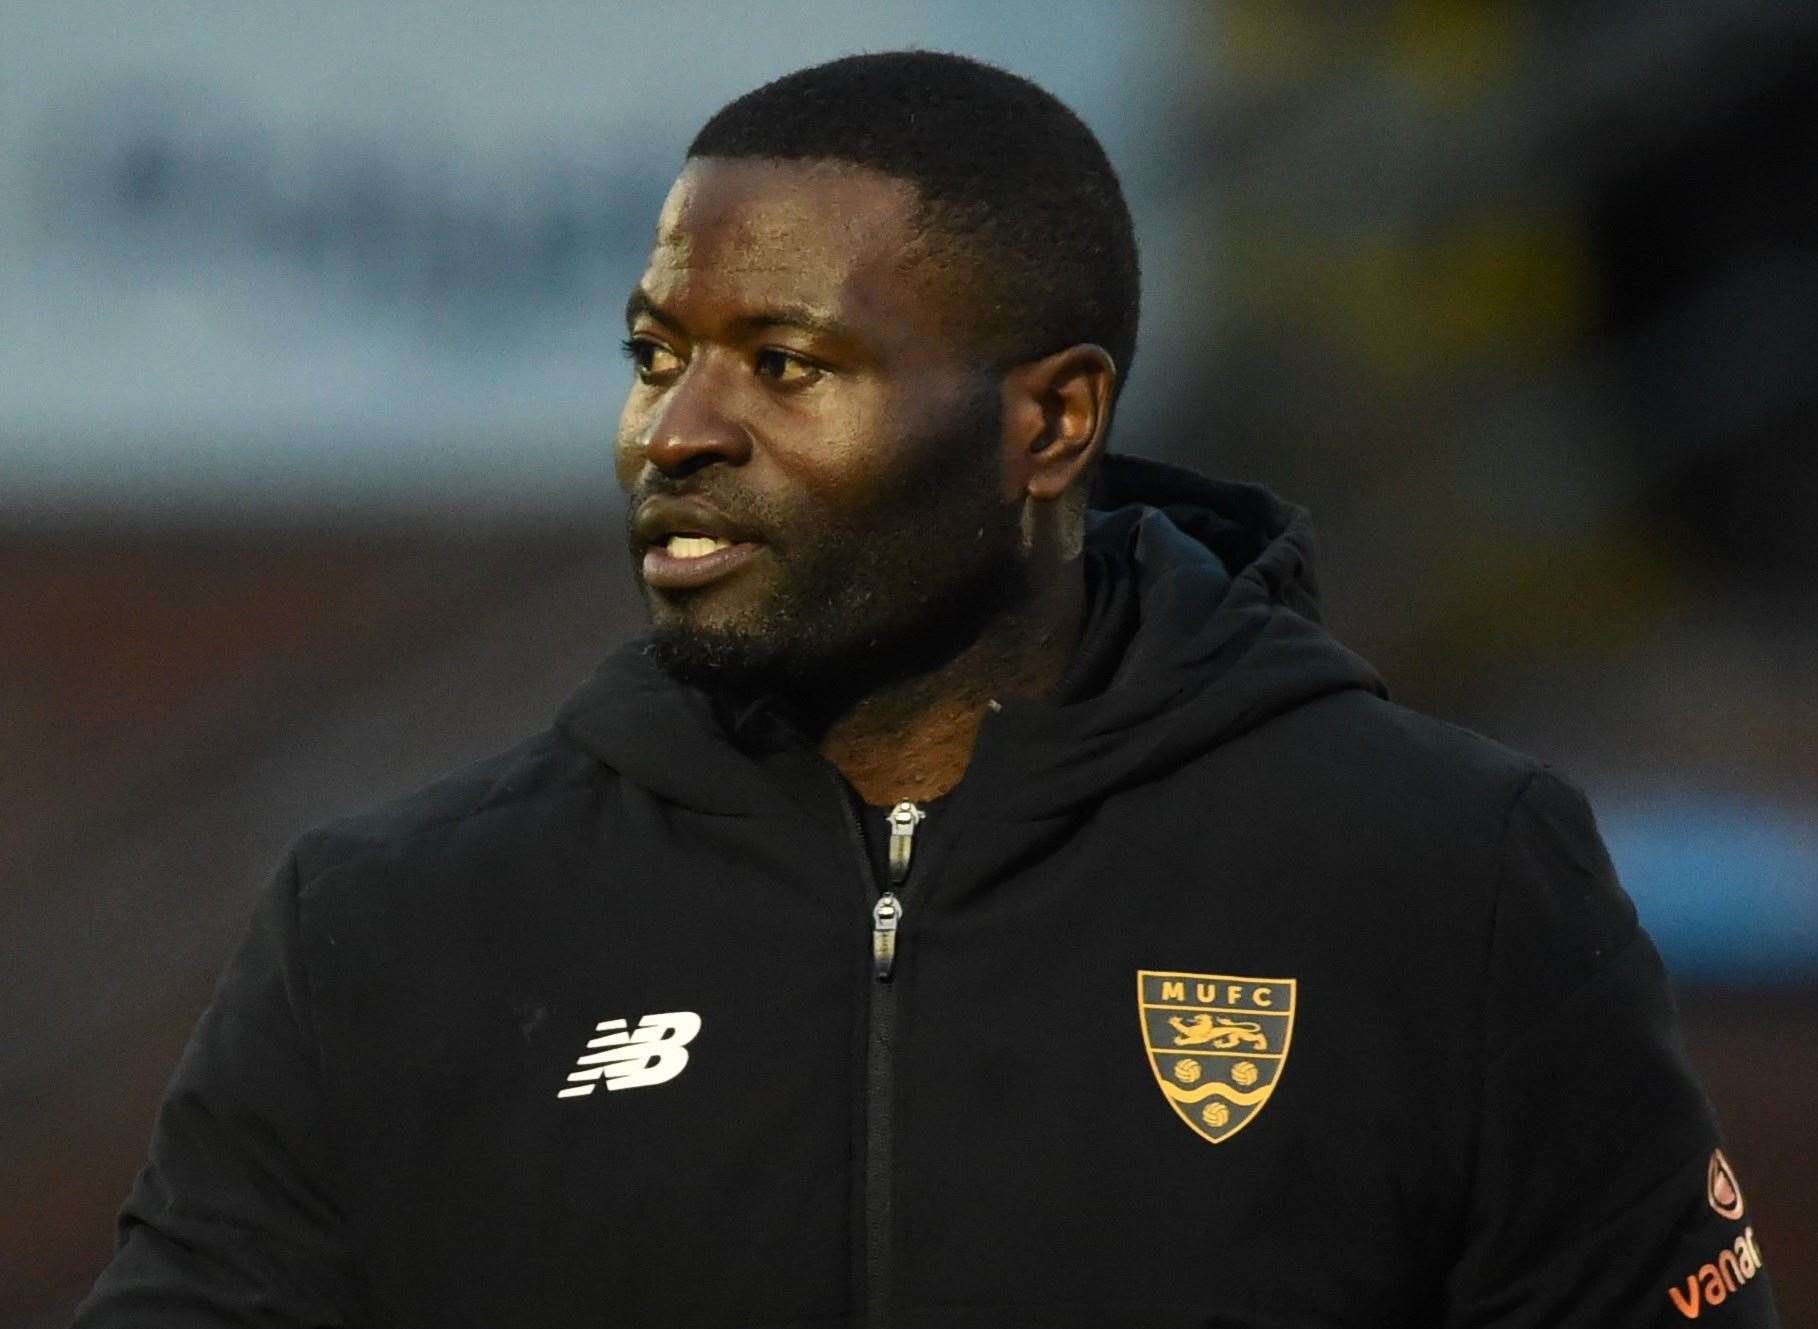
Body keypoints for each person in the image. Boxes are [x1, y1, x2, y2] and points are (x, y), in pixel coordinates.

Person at [76, 52, 1780, 1329]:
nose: (675, 434)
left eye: (787, 364)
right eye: (656, 356)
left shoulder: (1439, 875)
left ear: (1047, 425)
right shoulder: (398, 922)